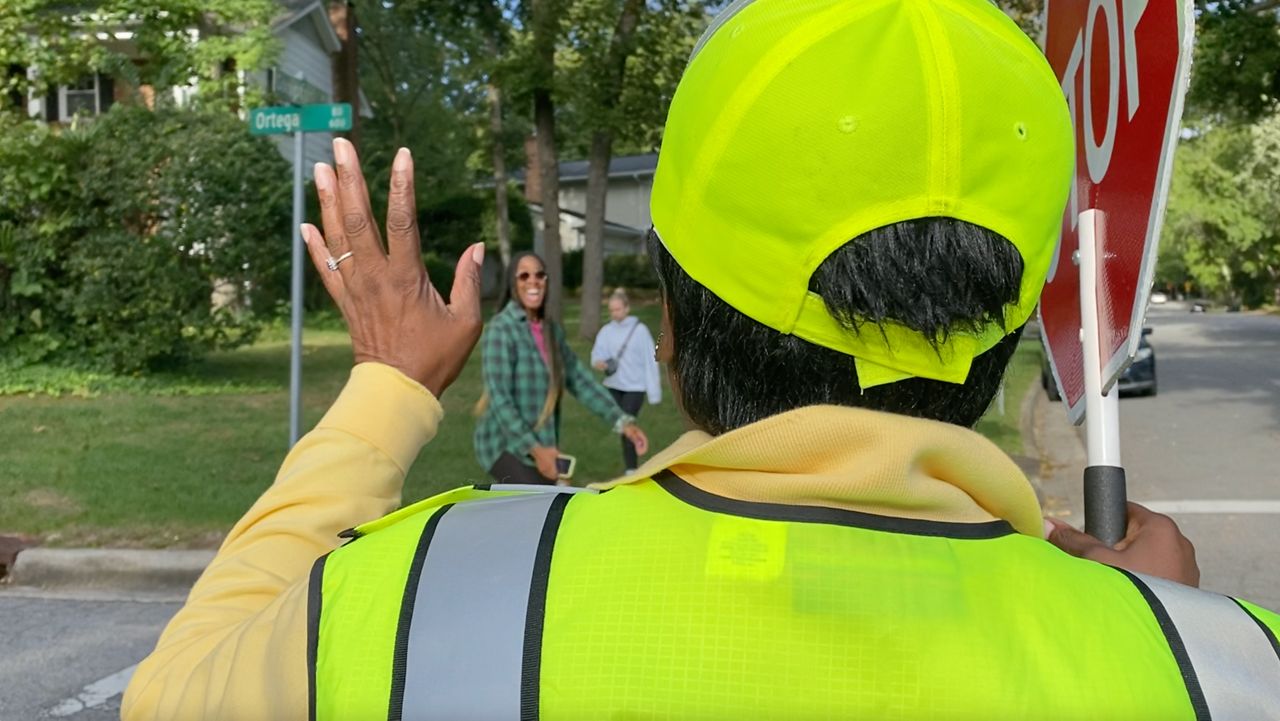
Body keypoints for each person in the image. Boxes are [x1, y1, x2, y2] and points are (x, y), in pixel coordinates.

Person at [123, 1, 1280, 719]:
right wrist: (1171, 636)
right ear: (1007, 326)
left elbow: (171, 696)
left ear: (672, 317)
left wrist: (382, 392)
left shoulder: (410, 600)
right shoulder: (1230, 674)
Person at [473, 252, 649, 485]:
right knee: (538, 507)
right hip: (504, 444)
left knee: (550, 507)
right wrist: (536, 451)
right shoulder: (501, 329)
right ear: (513, 284)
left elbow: (579, 380)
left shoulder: (550, 331)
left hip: (541, 442)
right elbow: (500, 399)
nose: (533, 281)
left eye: (539, 275)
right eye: (524, 276)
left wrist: (623, 423)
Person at [590, 288, 661, 473]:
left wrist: (654, 393)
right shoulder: (606, 331)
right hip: (613, 386)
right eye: (612, 310)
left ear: (627, 308)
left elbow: (650, 361)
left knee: (628, 424)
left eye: (618, 309)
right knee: (622, 426)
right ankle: (630, 466)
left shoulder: (640, 331)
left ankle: (631, 468)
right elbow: (597, 354)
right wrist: (599, 363)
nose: (615, 313)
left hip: (635, 388)